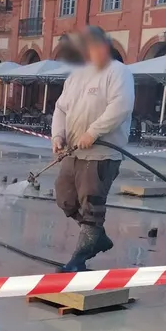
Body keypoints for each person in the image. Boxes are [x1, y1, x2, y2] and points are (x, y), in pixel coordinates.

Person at [51, 26, 135, 272]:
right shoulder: (76, 76)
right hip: (73, 152)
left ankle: (79, 259)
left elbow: (121, 106)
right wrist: (58, 135)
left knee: (92, 203)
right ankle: (96, 235)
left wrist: (93, 132)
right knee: (65, 198)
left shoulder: (118, 72)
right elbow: (61, 108)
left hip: (101, 153)